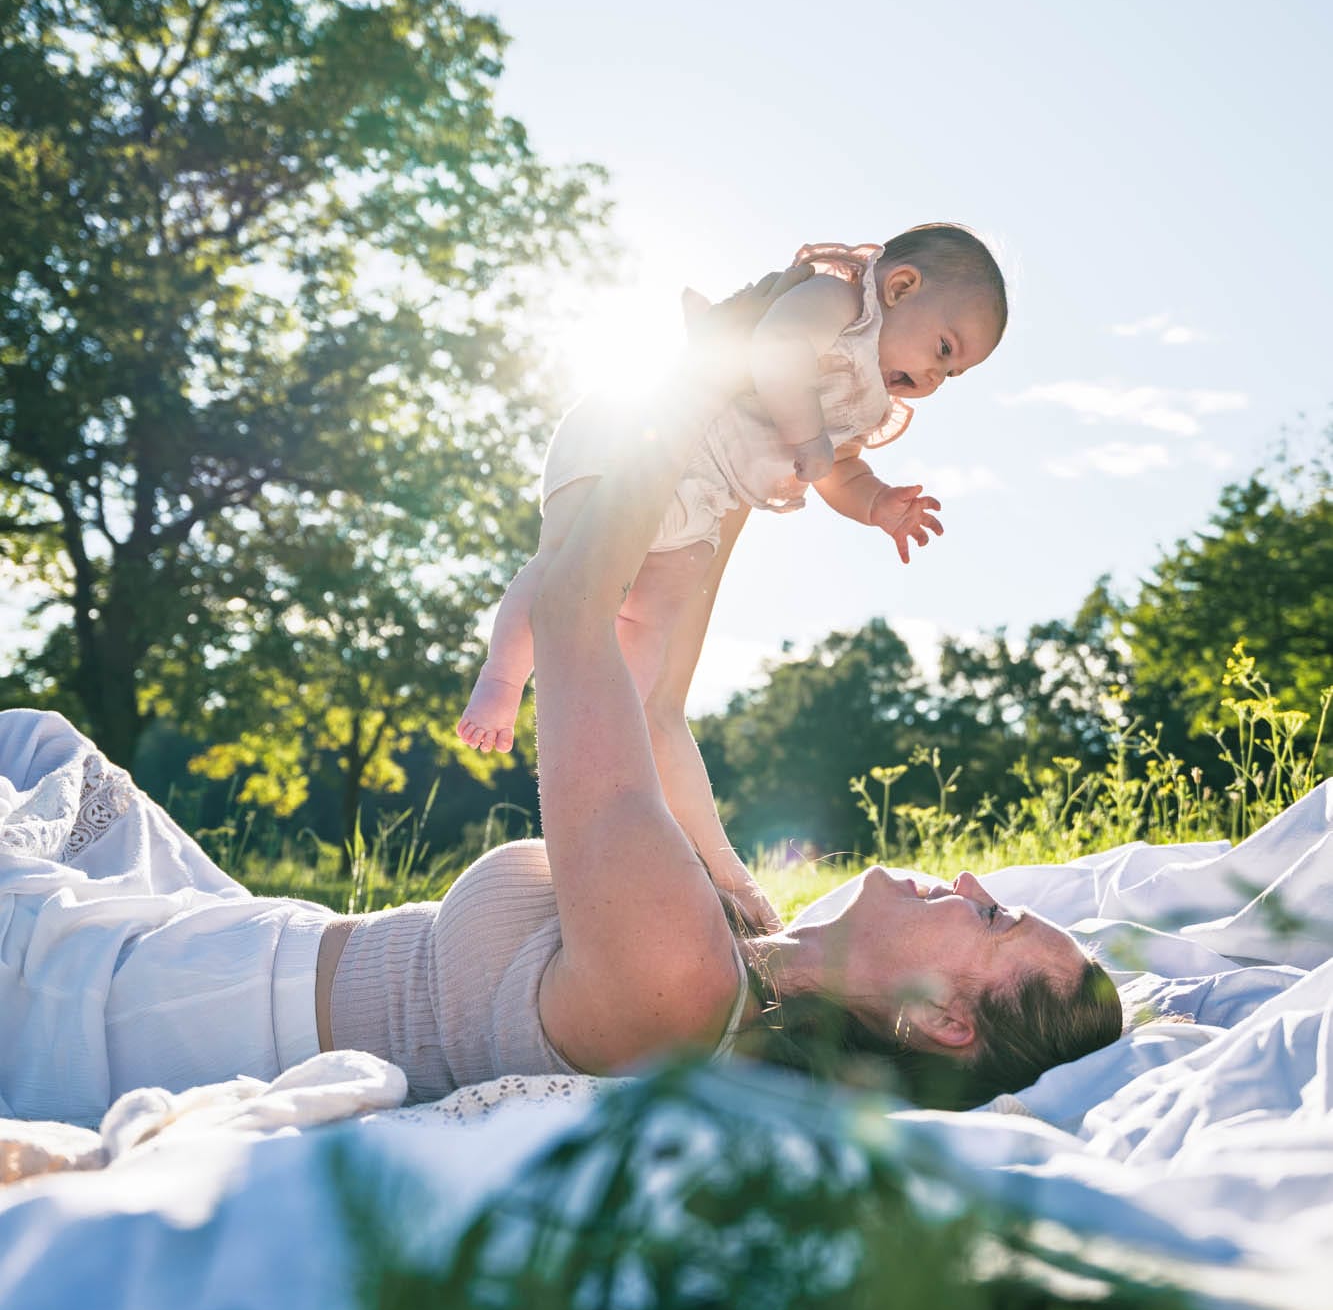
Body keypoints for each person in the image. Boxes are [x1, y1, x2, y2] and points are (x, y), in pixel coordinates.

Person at [0, 275, 1121, 1130]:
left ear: (940, 1020)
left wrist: (692, 403)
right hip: (232, 943)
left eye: (992, 919)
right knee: (38, 752)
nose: (980, 884)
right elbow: (658, 701)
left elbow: (581, 608)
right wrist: (737, 472)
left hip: (167, 1009)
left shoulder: (682, 982)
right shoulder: (741, 940)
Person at [456, 224, 1007, 771]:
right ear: (901, 286)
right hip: (632, 435)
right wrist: (808, 434)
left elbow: (839, 467)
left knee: (651, 619)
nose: (936, 376)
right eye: (943, 348)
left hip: (700, 496)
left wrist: (876, 503)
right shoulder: (840, 302)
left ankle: (608, 726)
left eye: (953, 373)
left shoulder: (867, 405)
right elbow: (778, 348)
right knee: (564, 565)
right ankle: (502, 680)